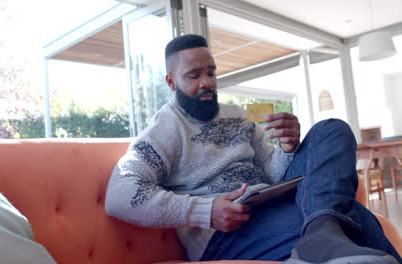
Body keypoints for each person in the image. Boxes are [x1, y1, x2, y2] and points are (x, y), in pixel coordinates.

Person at [105, 34, 401, 264]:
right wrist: (204, 211)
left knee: (332, 129)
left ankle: (320, 231)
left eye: (211, 72)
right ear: (172, 82)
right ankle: (321, 230)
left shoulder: (236, 114)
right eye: (194, 75)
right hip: (225, 232)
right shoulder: (164, 130)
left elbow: (272, 171)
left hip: (272, 201)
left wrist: (287, 147)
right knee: (357, 217)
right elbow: (119, 194)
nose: (207, 82)